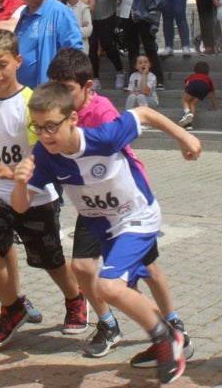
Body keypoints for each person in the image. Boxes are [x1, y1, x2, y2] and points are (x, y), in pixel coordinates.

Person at [10, 81, 202, 385]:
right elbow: (20, 207)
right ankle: (170, 339)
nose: (45, 135)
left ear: (72, 119)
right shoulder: (44, 155)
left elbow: (144, 113)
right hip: (106, 229)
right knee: (128, 293)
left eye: (51, 126)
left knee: (109, 287)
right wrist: (20, 182)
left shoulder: (105, 136)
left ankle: (168, 338)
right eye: (37, 128)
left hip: (137, 218)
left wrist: (184, 137)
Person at [42, 48, 194, 364]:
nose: (60, 96)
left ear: (88, 87)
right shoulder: (53, 115)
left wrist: (183, 138)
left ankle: (173, 325)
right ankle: (108, 325)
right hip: (90, 204)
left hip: (125, 203)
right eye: (55, 87)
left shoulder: (102, 112)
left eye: (67, 89)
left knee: (148, 269)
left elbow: (126, 133)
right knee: (82, 267)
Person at [0, 30, 87, 349]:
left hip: (33, 192)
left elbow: (44, 154)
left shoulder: (31, 103)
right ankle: (13, 308)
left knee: (50, 259)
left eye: (2, 65)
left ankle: (75, 298)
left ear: (18, 62)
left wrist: (14, 172)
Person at [13, 0, 84, 89]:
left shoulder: (60, 13)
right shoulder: (23, 14)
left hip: (48, 96)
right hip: (22, 96)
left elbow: (75, 56)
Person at [115, 0, 165, 89]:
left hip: (145, 13)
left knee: (149, 46)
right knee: (132, 48)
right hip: (128, 13)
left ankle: (158, 79)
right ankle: (133, 80)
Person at [85, 0, 124, 87]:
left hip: (107, 15)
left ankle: (120, 71)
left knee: (108, 45)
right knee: (92, 46)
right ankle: (95, 77)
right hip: (90, 16)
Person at [180, 61, 216, 128]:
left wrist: (186, 92)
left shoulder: (193, 76)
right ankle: (189, 124)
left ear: (195, 70)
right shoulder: (208, 78)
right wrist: (214, 106)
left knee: (185, 101)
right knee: (192, 104)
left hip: (193, 84)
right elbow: (212, 93)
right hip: (205, 87)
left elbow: (187, 84)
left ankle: (187, 113)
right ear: (207, 72)